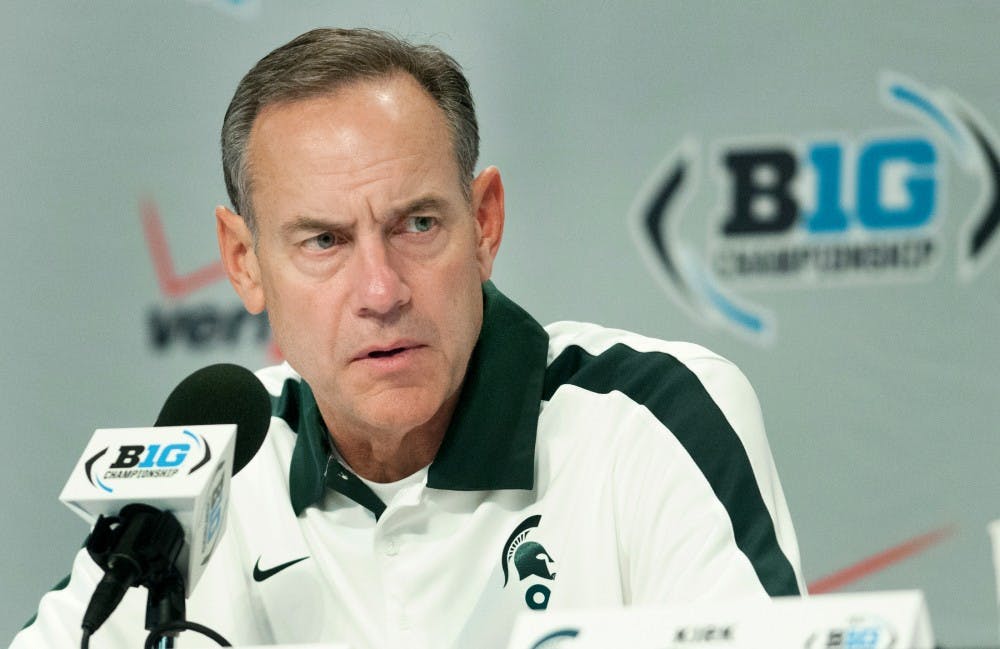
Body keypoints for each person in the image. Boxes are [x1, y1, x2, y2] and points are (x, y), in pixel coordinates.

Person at [13, 27, 804, 649]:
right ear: (244, 262)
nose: (381, 291)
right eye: (322, 241)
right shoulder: (210, 461)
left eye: (417, 224)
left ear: (485, 222)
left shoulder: (653, 420)